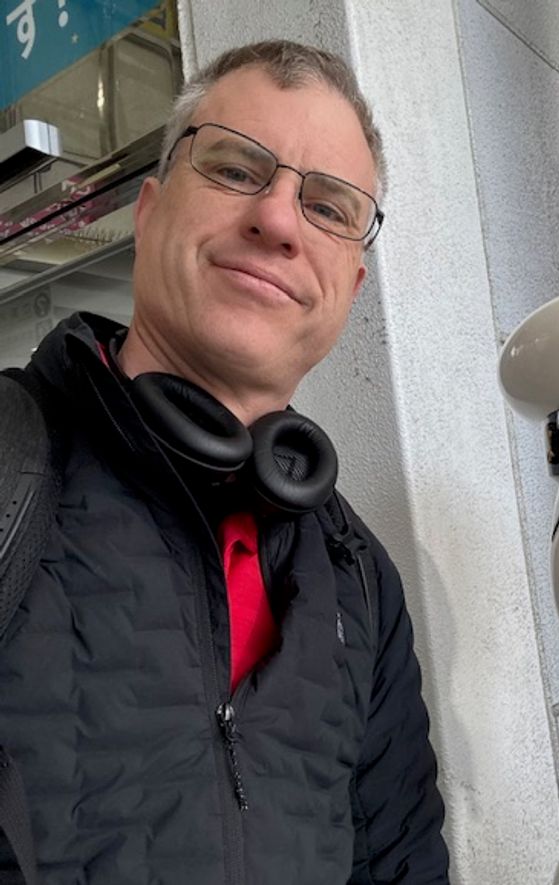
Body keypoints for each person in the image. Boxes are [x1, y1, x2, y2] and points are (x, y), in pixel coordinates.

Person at [0, 40, 449, 884]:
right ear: (148, 211)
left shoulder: (362, 581)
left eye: (329, 205)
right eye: (238, 167)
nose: (277, 220)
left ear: (349, 289)